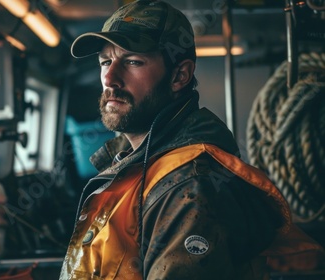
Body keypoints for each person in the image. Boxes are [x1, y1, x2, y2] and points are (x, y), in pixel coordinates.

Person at [60, 0, 322, 279]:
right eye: (106, 62)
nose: (110, 78)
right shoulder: (135, 167)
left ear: (179, 75)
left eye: (133, 61)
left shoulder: (191, 186)